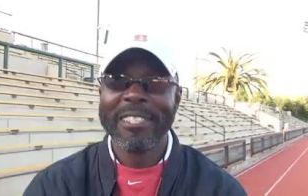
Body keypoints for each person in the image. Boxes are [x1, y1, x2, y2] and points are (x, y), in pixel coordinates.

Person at [23, 33, 246, 196]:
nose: (134, 94)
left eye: (155, 82)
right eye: (117, 80)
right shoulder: (53, 187)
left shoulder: (220, 189)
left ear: (177, 97)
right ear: (101, 93)